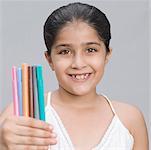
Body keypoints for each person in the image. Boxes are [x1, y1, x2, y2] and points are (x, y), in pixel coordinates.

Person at [0, 2, 149, 150]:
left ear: (107, 54)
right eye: (65, 52)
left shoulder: (129, 120)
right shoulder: (20, 115)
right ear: (49, 59)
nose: (78, 64)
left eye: (90, 50)